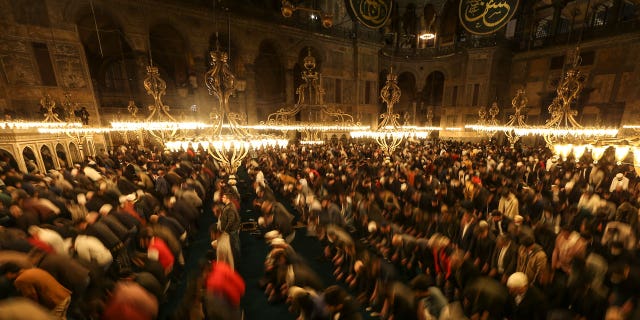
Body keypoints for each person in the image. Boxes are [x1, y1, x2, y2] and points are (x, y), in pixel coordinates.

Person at [0, 262, 71, 319]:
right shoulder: (32, 270)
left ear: (9, 273)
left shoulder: (20, 280)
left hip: (56, 301)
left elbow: (32, 298)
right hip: (63, 295)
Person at [220, 190, 241, 262]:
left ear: (228, 199)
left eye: (224, 197)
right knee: (235, 243)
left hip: (232, 230)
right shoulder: (229, 205)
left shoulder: (230, 208)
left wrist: (225, 230)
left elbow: (231, 221)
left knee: (235, 245)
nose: (222, 198)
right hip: (232, 229)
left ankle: (237, 260)